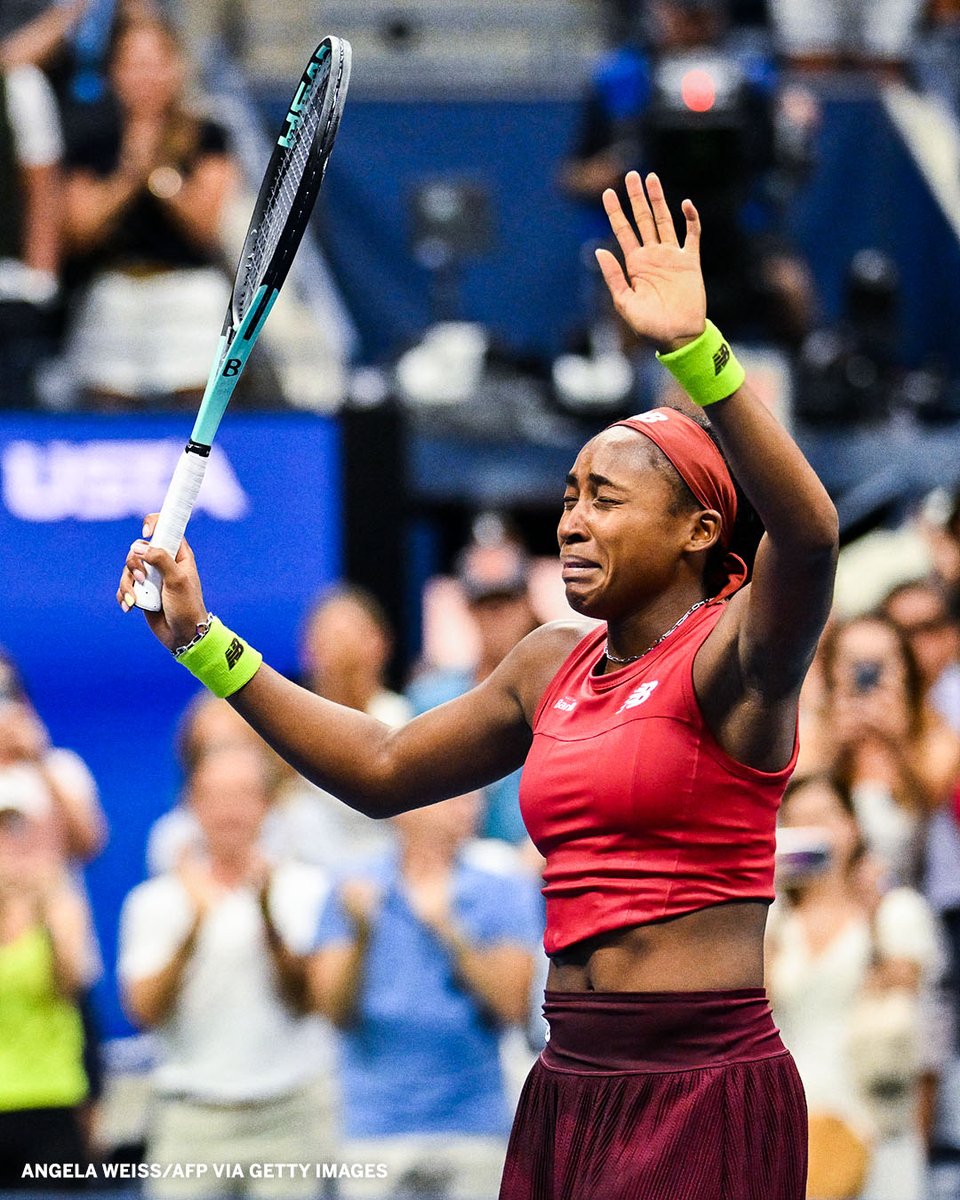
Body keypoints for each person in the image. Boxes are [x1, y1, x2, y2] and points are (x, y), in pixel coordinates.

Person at [119, 170, 839, 1199]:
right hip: (568, 1082)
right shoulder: (550, 663)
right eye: (569, 496)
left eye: (605, 498)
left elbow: (809, 538)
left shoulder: (737, 659)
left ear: (700, 529)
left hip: (701, 1086)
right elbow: (381, 764)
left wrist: (696, 354)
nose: (573, 521)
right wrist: (201, 638)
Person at [118, 744, 332, 1199]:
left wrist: (268, 915)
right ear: (192, 805)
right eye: (216, 796)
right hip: (190, 1115)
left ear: (267, 804)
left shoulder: (305, 890)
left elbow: (309, 1001)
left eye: (243, 795)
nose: (229, 811)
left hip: (286, 1112)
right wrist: (192, 928)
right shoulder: (154, 901)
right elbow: (144, 1012)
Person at [309, 791, 541, 1199]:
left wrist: (448, 927)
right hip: (374, 1126)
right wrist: (363, 935)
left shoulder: (503, 890)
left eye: (475, 799)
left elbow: (512, 1007)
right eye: (455, 798)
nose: (471, 809)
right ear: (404, 812)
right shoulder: (352, 888)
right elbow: (332, 1011)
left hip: (476, 1123)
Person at [768, 773, 946, 1200]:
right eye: (799, 821)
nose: (815, 831)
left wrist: (870, 912)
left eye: (826, 816)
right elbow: (760, 1004)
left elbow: (904, 992)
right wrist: (766, 895)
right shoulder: (776, 924)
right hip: (798, 1117)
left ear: (853, 826)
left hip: (876, 1111)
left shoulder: (894, 911)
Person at [62, 13, 236, 406]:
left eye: (156, 63)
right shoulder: (93, 141)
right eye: (134, 65)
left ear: (175, 69)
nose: (147, 77)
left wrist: (160, 174)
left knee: (197, 404)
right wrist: (128, 175)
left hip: (187, 290)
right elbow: (79, 229)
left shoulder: (206, 135)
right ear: (114, 73)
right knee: (105, 407)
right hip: (116, 290)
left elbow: (205, 225)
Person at [407, 523, 539, 844]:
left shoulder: (561, 697)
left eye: (507, 600)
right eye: (485, 602)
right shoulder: (430, 699)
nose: (497, 614)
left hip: (539, 870)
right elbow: (404, 796)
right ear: (468, 608)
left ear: (526, 602)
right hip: (453, 868)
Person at [0, 776, 97, 1190]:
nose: (10, 842)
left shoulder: (61, 905)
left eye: (19, 829)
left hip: (53, 1101)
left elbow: (70, 982)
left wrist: (40, 908)